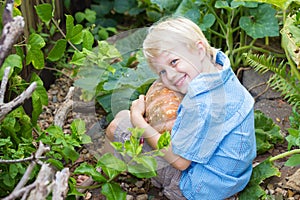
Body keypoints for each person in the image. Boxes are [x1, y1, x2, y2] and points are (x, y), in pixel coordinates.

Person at [105, 16, 256, 200]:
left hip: (194, 188)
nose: (170, 76)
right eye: (162, 72)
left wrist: (138, 121)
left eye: (174, 62)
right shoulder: (220, 69)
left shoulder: (201, 105)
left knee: (119, 123)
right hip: (231, 179)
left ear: (199, 49)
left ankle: (103, 171)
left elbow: (181, 162)